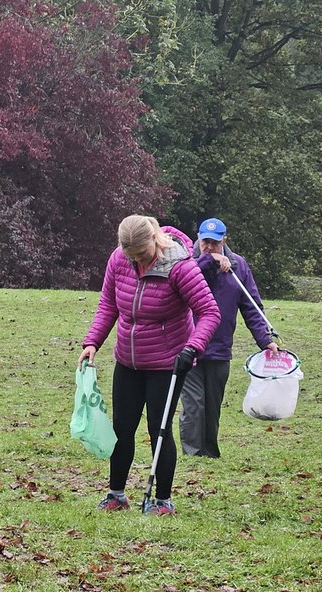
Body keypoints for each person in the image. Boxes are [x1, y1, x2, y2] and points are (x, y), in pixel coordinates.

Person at [79, 215, 220, 515]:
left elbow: (209, 312)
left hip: (168, 363)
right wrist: (92, 342)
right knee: (122, 427)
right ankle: (116, 494)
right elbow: (108, 304)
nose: (137, 261)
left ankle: (162, 500)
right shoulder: (119, 260)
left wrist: (192, 347)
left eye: (142, 255)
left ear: (155, 240)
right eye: (131, 257)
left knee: (160, 429)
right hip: (127, 360)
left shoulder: (180, 266)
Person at [179, 217, 279, 458]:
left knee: (212, 406)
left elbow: (252, 306)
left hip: (220, 348)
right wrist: (207, 262)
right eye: (205, 242)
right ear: (198, 239)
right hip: (188, 346)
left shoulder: (238, 266)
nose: (209, 247)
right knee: (193, 405)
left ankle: (210, 453)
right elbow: (181, 286)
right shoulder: (187, 262)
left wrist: (266, 340)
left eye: (214, 243)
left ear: (225, 240)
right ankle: (193, 455)